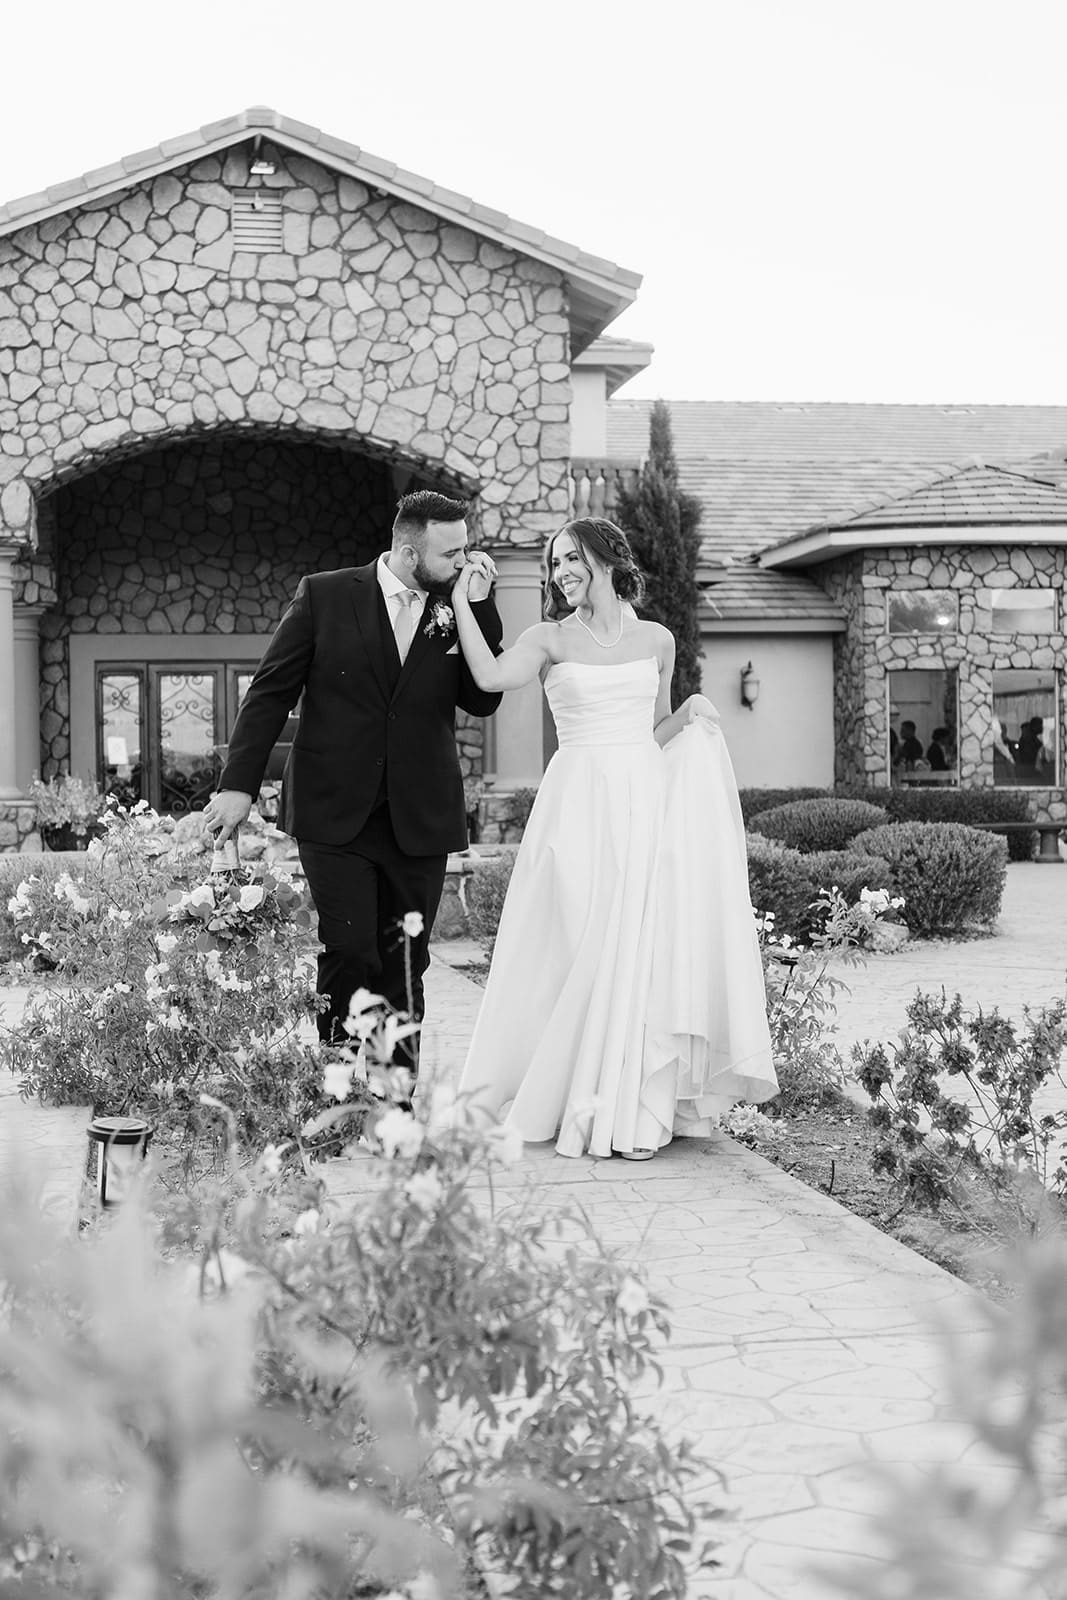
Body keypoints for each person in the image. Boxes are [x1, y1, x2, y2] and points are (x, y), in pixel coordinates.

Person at [452, 516, 777, 1160]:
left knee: (637, 949)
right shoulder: (548, 637)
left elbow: (653, 730)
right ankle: (571, 1094)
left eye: (572, 559)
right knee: (576, 943)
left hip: (642, 799)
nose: (561, 572)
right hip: (575, 803)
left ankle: (633, 1112)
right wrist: (466, 601)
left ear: (605, 559)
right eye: (554, 564)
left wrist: (689, 714)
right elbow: (488, 678)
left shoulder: (658, 639)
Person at [202, 490, 504, 1083]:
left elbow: (482, 696)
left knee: (405, 962)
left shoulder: (455, 602)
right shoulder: (325, 595)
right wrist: (237, 785)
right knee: (350, 950)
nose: (465, 560)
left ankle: (395, 1101)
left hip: (420, 816)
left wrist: (480, 609)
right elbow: (269, 692)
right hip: (333, 810)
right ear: (408, 550)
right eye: (452, 552)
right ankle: (338, 1088)